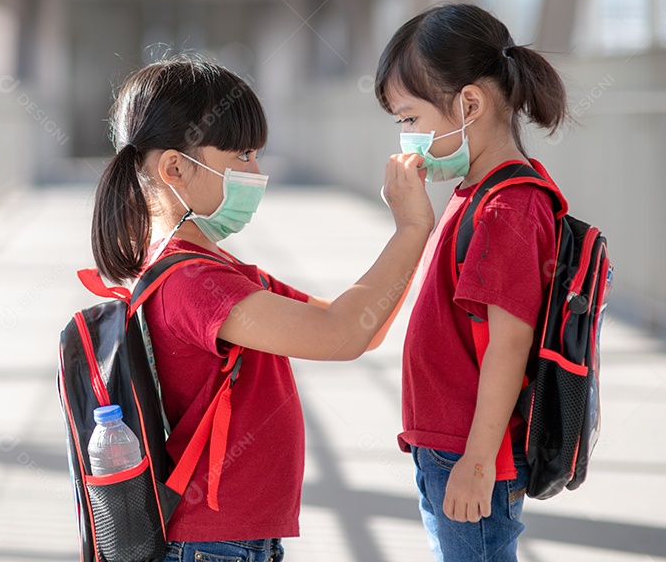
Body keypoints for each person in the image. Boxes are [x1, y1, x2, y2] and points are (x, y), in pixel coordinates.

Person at [90, 55, 434, 562]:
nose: (258, 172)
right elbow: (339, 335)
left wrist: (410, 240)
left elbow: (362, 328)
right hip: (214, 543)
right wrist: (411, 230)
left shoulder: (214, 268)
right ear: (176, 168)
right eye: (243, 156)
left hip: (229, 539)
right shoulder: (194, 281)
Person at [373, 3, 568, 561]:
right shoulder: (478, 191)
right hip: (448, 447)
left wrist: (480, 462)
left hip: (471, 451)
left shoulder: (508, 206)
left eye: (409, 119)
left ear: (470, 105)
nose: (405, 137)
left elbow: (510, 343)